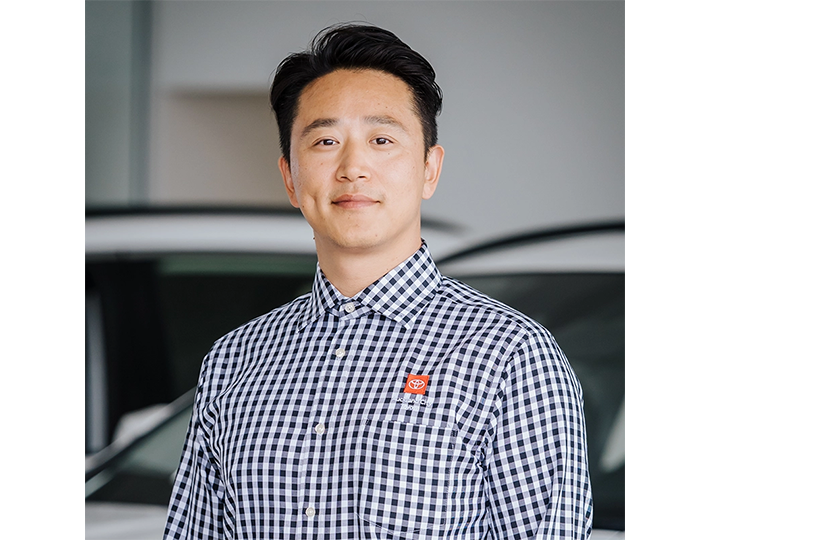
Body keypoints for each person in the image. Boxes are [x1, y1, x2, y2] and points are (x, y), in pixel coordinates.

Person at [164, 23, 592, 540]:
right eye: (325, 141)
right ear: (290, 178)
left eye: (382, 139)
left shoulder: (508, 356)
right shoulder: (235, 362)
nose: (353, 167)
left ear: (429, 169)